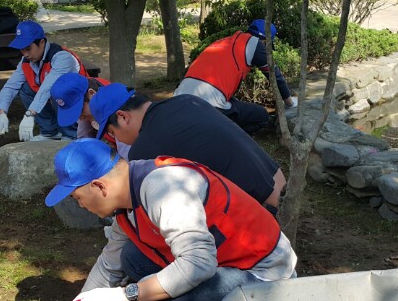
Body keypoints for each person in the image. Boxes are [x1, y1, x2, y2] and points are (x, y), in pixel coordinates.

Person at [40, 139, 296, 301]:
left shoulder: (163, 189)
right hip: (227, 262)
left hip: (266, 279)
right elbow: (110, 263)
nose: (80, 205)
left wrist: (129, 294)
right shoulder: (128, 198)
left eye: (77, 197)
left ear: (99, 186)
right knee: (131, 256)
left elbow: (199, 264)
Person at [90, 83, 286, 212]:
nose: (117, 139)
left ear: (123, 117)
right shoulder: (186, 100)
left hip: (260, 210)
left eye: (113, 133)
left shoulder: (143, 149)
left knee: (137, 257)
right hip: (279, 181)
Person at [173, 19, 296, 134]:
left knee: (234, 103)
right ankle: (227, 133)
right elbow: (275, 77)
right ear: (265, 41)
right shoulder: (256, 45)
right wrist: (290, 103)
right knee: (262, 116)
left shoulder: (222, 42)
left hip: (179, 101)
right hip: (210, 106)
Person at [0, 21, 88, 142]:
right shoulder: (26, 61)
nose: (26, 54)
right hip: (58, 101)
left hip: (82, 106)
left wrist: (29, 114)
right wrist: (2, 112)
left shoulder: (62, 57)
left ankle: (71, 134)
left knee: (58, 88)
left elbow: (48, 87)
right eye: (22, 50)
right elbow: (11, 86)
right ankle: (50, 131)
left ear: (42, 43)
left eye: (28, 48)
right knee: (24, 88)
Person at [49, 72, 130, 159]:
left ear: (92, 94)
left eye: (79, 110)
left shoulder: (118, 109)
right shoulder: (87, 99)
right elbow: (84, 141)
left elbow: (128, 157)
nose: (79, 117)